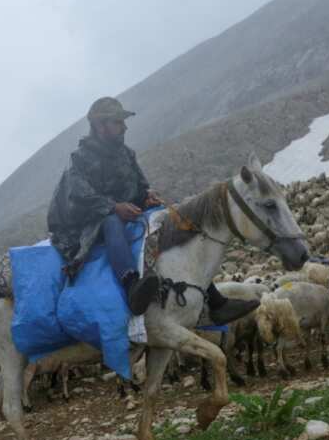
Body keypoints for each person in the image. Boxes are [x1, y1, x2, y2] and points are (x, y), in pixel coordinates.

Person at [47, 96, 259, 323]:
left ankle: (215, 301)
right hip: (84, 224)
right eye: (118, 122)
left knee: (167, 222)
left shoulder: (125, 154)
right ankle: (132, 287)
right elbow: (78, 195)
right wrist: (114, 207)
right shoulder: (79, 159)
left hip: (121, 213)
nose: (124, 127)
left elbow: (139, 186)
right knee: (111, 223)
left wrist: (146, 197)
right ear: (100, 125)